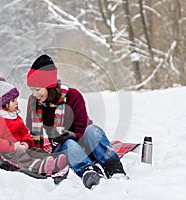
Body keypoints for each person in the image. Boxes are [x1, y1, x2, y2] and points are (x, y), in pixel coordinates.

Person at [26, 54, 127, 189]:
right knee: (68, 142)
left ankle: (115, 169)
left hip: (85, 140)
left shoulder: (74, 96)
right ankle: (89, 172)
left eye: (37, 89)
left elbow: (82, 128)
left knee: (93, 130)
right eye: (32, 89)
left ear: (49, 86)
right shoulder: (34, 102)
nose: (34, 94)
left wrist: (72, 135)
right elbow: (31, 131)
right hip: (65, 147)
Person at [0, 76, 67, 176]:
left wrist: (26, 142)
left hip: (20, 147)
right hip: (4, 151)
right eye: (13, 101)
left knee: (36, 150)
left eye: (16, 99)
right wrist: (14, 147)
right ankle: (39, 166)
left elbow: (25, 132)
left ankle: (52, 161)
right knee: (20, 157)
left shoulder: (14, 116)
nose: (17, 102)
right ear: (2, 104)